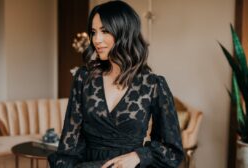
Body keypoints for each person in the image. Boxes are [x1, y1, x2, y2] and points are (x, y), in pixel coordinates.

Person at [48, 1, 184, 168]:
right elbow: (69, 144)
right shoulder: (84, 78)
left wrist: (138, 156)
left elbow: (172, 150)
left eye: (105, 31)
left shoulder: (153, 85)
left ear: (124, 32)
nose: (96, 39)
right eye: (93, 32)